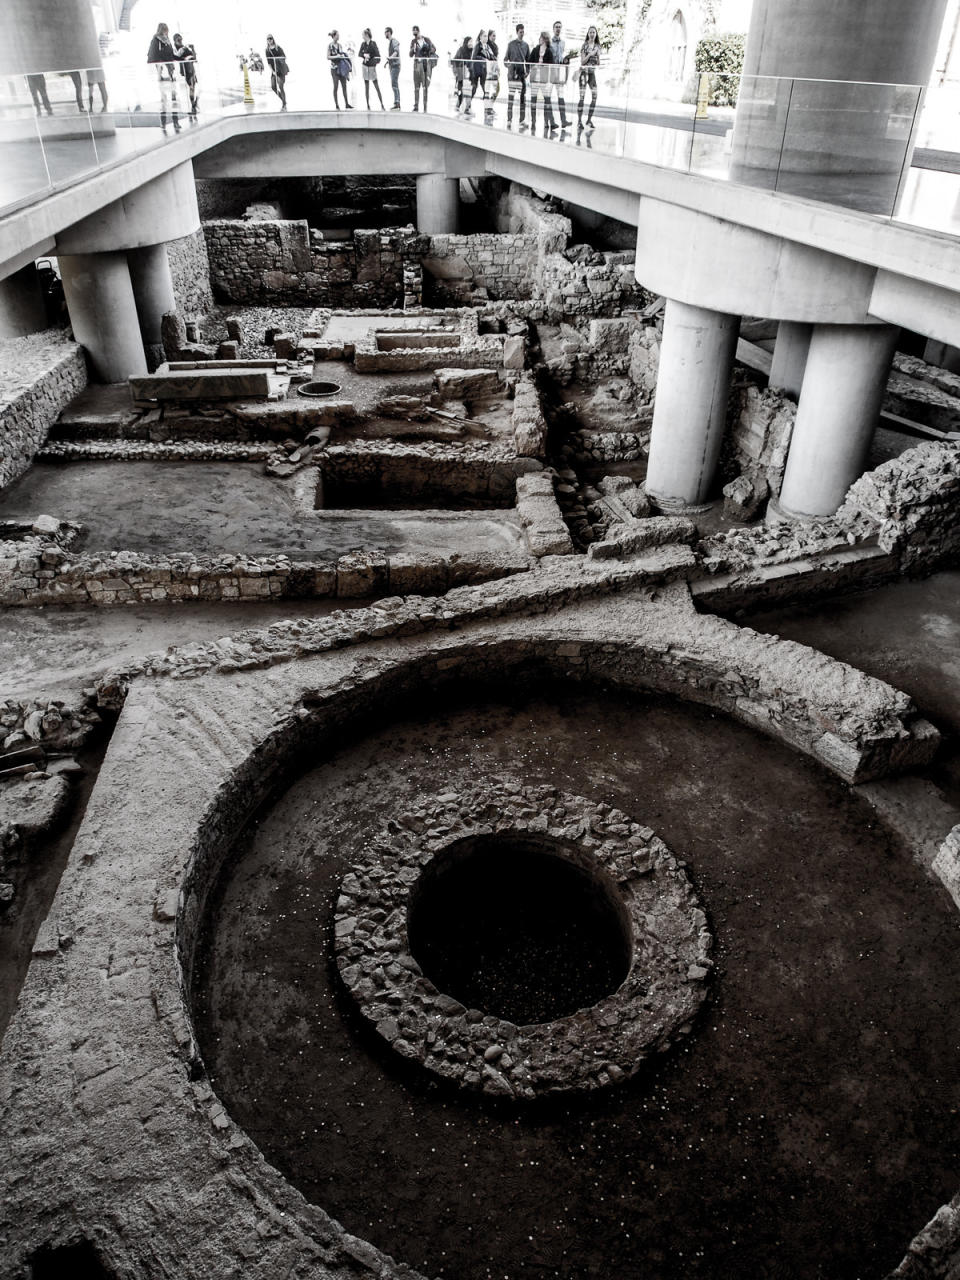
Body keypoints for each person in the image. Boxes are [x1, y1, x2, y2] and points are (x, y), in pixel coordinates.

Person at [147, 23, 180, 133]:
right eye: (166, 31)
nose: (167, 33)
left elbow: (171, 55)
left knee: (172, 97)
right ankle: (165, 122)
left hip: (169, 73)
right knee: (165, 98)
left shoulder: (166, 40)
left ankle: (173, 121)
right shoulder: (156, 41)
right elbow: (152, 57)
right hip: (163, 73)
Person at [528, 30, 556, 135]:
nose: (539, 39)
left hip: (544, 79)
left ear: (544, 39)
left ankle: (546, 122)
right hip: (535, 78)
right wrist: (534, 66)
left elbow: (551, 66)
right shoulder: (535, 50)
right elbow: (529, 61)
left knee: (546, 101)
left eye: (540, 37)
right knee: (533, 100)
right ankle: (533, 121)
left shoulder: (549, 51)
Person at [549, 19, 572, 130]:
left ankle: (563, 120)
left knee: (561, 96)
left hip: (560, 71)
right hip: (551, 71)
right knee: (548, 96)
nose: (558, 28)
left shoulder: (563, 43)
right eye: (556, 27)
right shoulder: (549, 42)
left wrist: (566, 60)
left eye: (560, 27)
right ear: (553, 29)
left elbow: (561, 56)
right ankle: (551, 121)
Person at [505, 23, 529, 128]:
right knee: (511, 97)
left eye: (523, 32)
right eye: (520, 32)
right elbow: (505, 59)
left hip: (521, 75)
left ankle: (522, 120)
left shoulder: (526, 45)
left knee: (522, 98)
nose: (522, 34)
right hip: (512, 74)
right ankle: (509, 119)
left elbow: (528, 61)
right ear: (517, 32)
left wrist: (527, 71)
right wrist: (509, 65)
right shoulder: (511, 44)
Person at [578, 26, 601, 131]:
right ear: (588, 34)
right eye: (590, 32)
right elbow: (582, 61)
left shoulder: (597, 46)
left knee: (595, 96)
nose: (592, 34)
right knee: (582, 97)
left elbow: (598, 63)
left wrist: (596, 57)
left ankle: (589, 119)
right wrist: (590, 54)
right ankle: (579, 121)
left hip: (592, 73)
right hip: (584, 72)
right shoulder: (584, 45)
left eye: (594, 32)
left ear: (596, 34)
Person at [410, 26, 436, 112]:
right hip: (417, 64)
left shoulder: (426, 40)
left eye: (416, 32)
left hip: (425, 64)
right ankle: (416, 105)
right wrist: (413, 49)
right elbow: (410, 54)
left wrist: (427, 49)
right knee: (416, 86)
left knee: (425, 86)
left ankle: (425, 106)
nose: (415, 34)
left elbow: (434, 48)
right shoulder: (413, 42)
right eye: (414, 33)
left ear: (419, 31)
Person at [359, 30, 385, 110]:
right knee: (366, 87)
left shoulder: (373, 44)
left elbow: (378, 57)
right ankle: (368, 105)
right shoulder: (363, 44)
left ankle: (382, 104)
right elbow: (359, 53)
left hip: (371, 67)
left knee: (376, 86)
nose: (362, 36)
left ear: (367, 35)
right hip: (365, 66)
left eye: (363, 35)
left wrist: (372, 61)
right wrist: (364, 55)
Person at [173, 33, 197, 117]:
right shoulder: (176, 49)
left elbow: (194, 58)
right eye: (178, 40)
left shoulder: (184, 48)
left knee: (193, 86)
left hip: (191, 68)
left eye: (181, 39)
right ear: (175, 41)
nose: (180, 41)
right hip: (186, 69)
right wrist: (185, 55)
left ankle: (193, 103)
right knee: (191, 86)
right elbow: (176, 56)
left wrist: (193, 49)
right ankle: (193, 103)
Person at [327, 30, 352, 109]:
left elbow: (341, 54)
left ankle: (346, 103)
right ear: (334, 36)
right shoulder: (330, 46)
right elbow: (328, 57)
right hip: (334, 68)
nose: (338, 36)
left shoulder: (340, 45)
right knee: (336, 86)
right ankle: (337, 105)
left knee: (344, 86)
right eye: (337, 35)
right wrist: (337, 56)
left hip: (341, 67)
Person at [265, 34, 288, 110]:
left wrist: (277, 59)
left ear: (273, 39)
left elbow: (284, 56)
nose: (269, 40)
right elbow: (268, 62)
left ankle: (284, 104)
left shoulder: (278, 48)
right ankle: (283, 100)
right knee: (273, 87)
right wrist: (273, 71)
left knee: (281, 86)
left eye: (271, 39)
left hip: (280, 70)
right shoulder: (267, 50)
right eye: (268, 39)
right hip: (274, 70)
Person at [452, 35, 473, 113]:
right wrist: (456, 72)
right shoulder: (461, 50)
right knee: (461, 91)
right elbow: (454, 60)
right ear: (466, 42)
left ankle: (467, 108)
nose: (471, 43)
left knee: (468, 91)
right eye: (470, 41)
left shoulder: (473, 51)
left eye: (472, 41)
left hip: (469, 74)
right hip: (461, 73)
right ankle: (458, 105)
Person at [385, 27, 401, 109]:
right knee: (394, 84)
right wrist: (388, 61)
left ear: (389, 32)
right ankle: (396, 102)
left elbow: (396, 51)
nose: (385, 34)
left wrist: (390, 57)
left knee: (394, 84)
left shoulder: (394, 41)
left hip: (395, 66)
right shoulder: (390, 42)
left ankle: (397, 103)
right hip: (392, 65)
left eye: (386, 32)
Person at [485, 30, 501, 104]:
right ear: (489, 36)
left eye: (495, 36)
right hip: (488, 70)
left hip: (494, 69)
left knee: (497, 89)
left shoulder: (496, 46)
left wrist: (498, 69)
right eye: (493, 36)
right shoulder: (486, 46)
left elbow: (496, 59)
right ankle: (488, 106)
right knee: (487, 89)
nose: (495, 37)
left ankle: (490, 104)